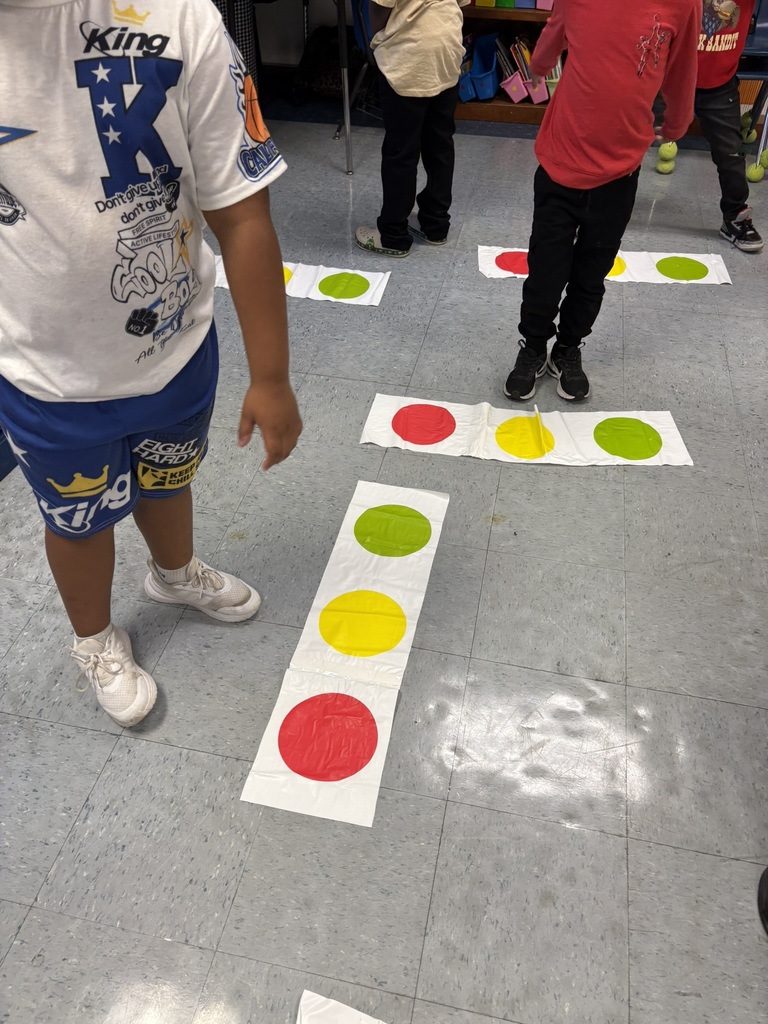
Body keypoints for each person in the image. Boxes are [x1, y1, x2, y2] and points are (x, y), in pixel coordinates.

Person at [0, 0, 302, 727]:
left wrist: (271, 376)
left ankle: (174, 575)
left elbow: (241, 211)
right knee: (79, 519)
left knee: (169, 477)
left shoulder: (181, 16)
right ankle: (95, 637)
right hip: (46, 376)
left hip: (176, 349)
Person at [504, 0, 702, 403]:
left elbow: (682, 67)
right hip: (562, 158)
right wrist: (540, 64)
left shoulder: (683, 3)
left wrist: (680, 120)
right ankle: (533, 346)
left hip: (620, 169)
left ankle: (568, 349)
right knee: (545, 268)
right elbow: (552, 35)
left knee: (592, 272)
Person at [355, 0, 470, 257]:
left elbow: (379, 8)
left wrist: (378, 40)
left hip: (409, 53)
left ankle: (393, 234)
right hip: (446, 47)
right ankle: (435, 224)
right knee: (440, 142)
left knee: (401, 150)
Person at [675, 0, 763, 252]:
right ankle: (595, 209)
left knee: (731, 155)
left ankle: (735, 217)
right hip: (669, 76)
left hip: (719, 87)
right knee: (625, 139)